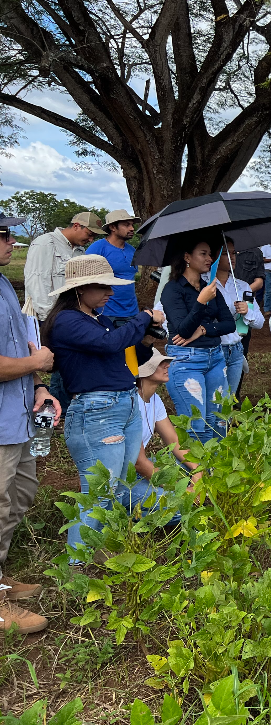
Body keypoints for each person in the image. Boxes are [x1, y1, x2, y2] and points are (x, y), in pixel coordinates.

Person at [41, 256, 164, 558]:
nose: (110, 293)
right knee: (99, 492)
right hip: (97, 412)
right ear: (80, 289)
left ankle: (97, 548)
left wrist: (144, 340)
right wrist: (144, 315)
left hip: (122, 404)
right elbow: (109, 345)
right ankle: (76, 566)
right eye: (104, 287)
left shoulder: (98, 319)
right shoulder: (69, 321)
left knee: (118, 485)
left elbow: (118, 353)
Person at [0, 211, 59, 634]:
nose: (11, 242)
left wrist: (36, 383)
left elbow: (19, 343)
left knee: (19, 495)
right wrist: (33, 363)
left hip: (17, 416)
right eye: (4, 235)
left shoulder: (4, 284)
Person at [24, 211, 104, 413]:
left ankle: (64, 407)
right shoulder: (45, 243)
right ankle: (58, 409)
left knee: (69, 361)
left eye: (94, 235)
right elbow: (37, 282)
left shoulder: (79, 251)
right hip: (50, 316)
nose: (91, 238)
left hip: (70, 315)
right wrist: (51, 320)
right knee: (59, 363)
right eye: (89, 233)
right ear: (76, 225)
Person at [160, 239, 236, 444]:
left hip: (216, 358)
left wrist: (203, 329)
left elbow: (230, 324)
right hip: (186, 361)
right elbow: (183, 330)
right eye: (203, 254)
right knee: (196, 425)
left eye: (210, 254)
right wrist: (201, 302)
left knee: (218, 422)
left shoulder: (209, 288)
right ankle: (194, 474)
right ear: (187, 257)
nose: (210, 259)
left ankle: (214, 473)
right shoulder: (172, 290)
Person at [124, 347, 199, 519]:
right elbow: (138, 463)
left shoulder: (154, 399)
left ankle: (142, 506)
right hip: (123, 479)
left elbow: (174, 441)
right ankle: (123, 512)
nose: (167, 365)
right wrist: (180, 490)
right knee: (181, 508)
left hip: (141, 470)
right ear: (143, 370)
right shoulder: (130, 402)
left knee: (190, 467)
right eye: (159, 363)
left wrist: (198, 471)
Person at [214, 239, 264, 393]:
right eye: (225, 253)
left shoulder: (241, 286)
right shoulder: (204, 284)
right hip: (214, 349)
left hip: (236, 349)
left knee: (229, 399)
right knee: (214, 401)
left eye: (234, 253)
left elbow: (260, 322)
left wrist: (247, 311)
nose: (232, 257)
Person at [85, 210, 140, 321]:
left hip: (133, 312)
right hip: (107, 314)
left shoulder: (132, 250)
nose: (132, 228)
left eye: (132, 225)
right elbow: (85, 281)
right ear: (113, 227)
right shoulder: (97, 249)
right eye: (126, 225)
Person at [233, 245, 266, 357]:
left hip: (246, 305)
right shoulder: (219, 250)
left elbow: (259, 282)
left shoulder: (255, 252)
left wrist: (242, 293)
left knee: (242, 349)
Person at [259, 244, 271, 316]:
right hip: (267, 271)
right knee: (268, 290)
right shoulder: (265, 247)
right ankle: (267, 309)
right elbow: (261, 259)